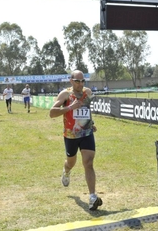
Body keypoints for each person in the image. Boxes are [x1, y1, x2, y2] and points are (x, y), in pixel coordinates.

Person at [49, 70, 102, 211]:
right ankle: (66, 171)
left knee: (88, 163)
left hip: (86, 133)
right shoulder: (65, 94)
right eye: (77, 81)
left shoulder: (88, 93)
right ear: (71, 80)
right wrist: (70, 107)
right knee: (71, 163)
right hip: (70, 136)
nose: (80, 84)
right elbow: (52, 113)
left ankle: (92, 197)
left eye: (82, 81)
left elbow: (86, 110)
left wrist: (90, 123)